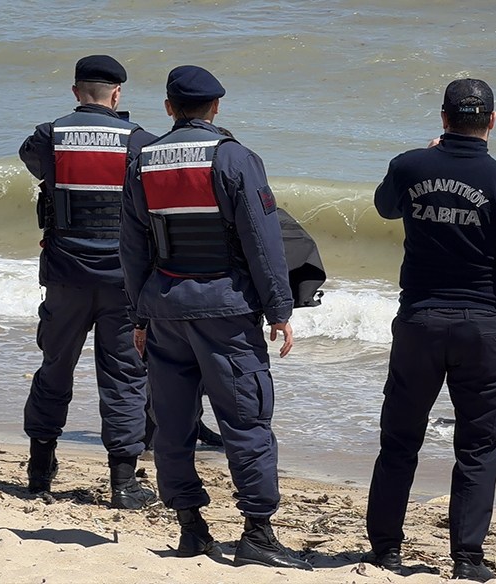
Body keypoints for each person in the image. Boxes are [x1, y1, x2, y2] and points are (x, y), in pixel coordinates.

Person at [119, 65, 311, 570]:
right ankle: (257, 534)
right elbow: (263, 241)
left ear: (168, 109)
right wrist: (279, 309)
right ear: (216, 107)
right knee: (246, 420)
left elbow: (133, 247)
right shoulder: (235, 158)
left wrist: (138, 314)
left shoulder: (142, 160)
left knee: (173, 425)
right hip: (225, 311)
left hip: (163, 308)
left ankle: (191, 529)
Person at [365, 78, 496, 583]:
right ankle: (467, 559)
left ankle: (385, 550)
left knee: (400, 440)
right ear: (492, 120)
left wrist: (423, 161)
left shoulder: (410, 165)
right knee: (477, 446)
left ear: (443, 119)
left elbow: (385, 205)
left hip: (419, 323)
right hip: (483, 329)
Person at [18, 55, 156, 509]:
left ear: (76, 92)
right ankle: (123, 483)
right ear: (117, 94)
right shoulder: (139, 142)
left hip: (64, 276)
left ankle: (39, 474)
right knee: (123, 378)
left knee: (54, 369)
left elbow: (37, 164)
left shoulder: (48, 135)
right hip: (122, 282)